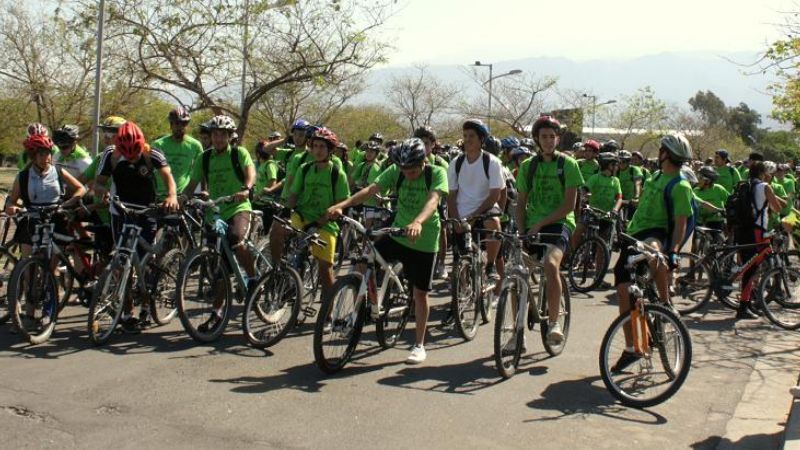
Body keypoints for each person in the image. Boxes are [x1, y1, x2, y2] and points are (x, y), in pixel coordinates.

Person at [327, 138, 448, 364]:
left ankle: (419, 345)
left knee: (420, 294)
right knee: (364, 261)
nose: (408, 174)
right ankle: (359, 310)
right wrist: (342, 205)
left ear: (423, 162)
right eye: (404, 170)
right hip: (398, 233)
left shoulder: (437, 173)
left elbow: (433, 200)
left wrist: (419, 222)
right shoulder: (396, 171)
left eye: (412, 170)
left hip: (424, 239)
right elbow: (372, 190)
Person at [611, 133, 695, 371]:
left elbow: (680, 223)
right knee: (624, 290)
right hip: (633, 234)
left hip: (655, 233)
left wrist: (675, 250)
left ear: (665, 154)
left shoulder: (680, 185)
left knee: (652, 250)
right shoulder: (655, 176)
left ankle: (665, 303)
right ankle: (633, 348)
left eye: (661, 150)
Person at [94, 121, 179, 331]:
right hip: (121, 210)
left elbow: (168, 176)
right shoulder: (111, 155)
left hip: (146, 211)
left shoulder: (153, 154)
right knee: (122, 260)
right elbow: (99, 182)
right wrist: (102, 192)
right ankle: (126, 311)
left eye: (135, 153)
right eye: (127, 154)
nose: (131, 157)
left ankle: (147, 304)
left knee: (143, 261)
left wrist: (171, 196)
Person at [5, 134, 87, 328]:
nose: (46, 157)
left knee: (50, 268)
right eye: (41, 154)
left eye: (48, 153)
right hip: (31, 220)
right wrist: (12, 207)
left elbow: (80, 189)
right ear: (33, 156)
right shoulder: (23, 176)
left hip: (54, 219)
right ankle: (29, 313)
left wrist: (68, 203)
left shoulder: (58, 172)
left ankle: (49, 312)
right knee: (29, 269)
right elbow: (11, 200)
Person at [516, 115, 584, 347]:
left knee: (550, 264)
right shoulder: (528, 166)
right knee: (516, 274)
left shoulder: (568, 164)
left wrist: (540, 224)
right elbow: (520, 203)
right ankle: (517, 331)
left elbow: (568, 206)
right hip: (532, 225)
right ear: (536, 138)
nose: (547, 141)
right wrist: (521, 230)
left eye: (551, 137)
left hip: (560, 223)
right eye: (543, 136)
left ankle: (554, 322)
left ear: (558, 139)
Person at [269, 127, 349, 303]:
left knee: (325, 268)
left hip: (326, 222)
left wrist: (327, 217)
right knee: (277, 229)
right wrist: (286, 212)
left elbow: (342, 204)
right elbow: (294, 194)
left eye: (322, 147)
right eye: (315, 146)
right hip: (302, 216)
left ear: (330, 150)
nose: (318, 150)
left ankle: (328, 306)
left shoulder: (337, 173)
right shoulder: (304, 169)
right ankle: (277, 271)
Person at [447, 119, 506, 298]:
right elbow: (451, 196)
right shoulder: (456, 163)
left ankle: (490, 266)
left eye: (471, 136)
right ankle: (462, 299)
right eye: (465, 136)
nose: (467, 140)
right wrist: (457, 219)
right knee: (461, 260)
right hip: (462, 214)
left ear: (481, 139)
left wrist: (475, 215)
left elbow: (495, 194)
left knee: (493, 222)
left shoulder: (492, 162)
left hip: (484, 209)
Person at [731, 161, 785, 320]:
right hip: (756, 230)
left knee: (748, 266)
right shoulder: (765, 186)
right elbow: (778, 208)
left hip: (742, 229)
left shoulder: (744, 185)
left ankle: (746, 303)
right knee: (751, 268)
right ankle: (743, 307)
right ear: (763, 173)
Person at [152, 107, 204, 200]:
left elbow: (202, 170)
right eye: (176, 123)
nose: (180, 127)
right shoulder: (158, 144)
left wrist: (205, 190)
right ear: (171, 125)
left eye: (183, 124)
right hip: (160, 196)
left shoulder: (195, 146)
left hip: (182, 197)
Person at [573, 152, 622, 250]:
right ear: (607, 165)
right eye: (614, 164)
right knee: (577, 231)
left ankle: (599, 265)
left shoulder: (616, 180)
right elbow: (584, 189)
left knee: (602, 246)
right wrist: (583, 196)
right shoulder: (595, 178)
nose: (617, 167)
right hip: (592, 213)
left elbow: (619, 198)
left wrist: (615, 210)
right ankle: (570, 255)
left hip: (607, 216)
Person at [617, 150, 643, 219]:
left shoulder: (634, 170)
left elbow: (637, 183)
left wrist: (637, 197)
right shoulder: (616, 170)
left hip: (631, 200)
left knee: (629, 221)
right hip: (619, 199)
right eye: (619, 161)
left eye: (624, 161)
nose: (621, 163)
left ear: (629, 162)